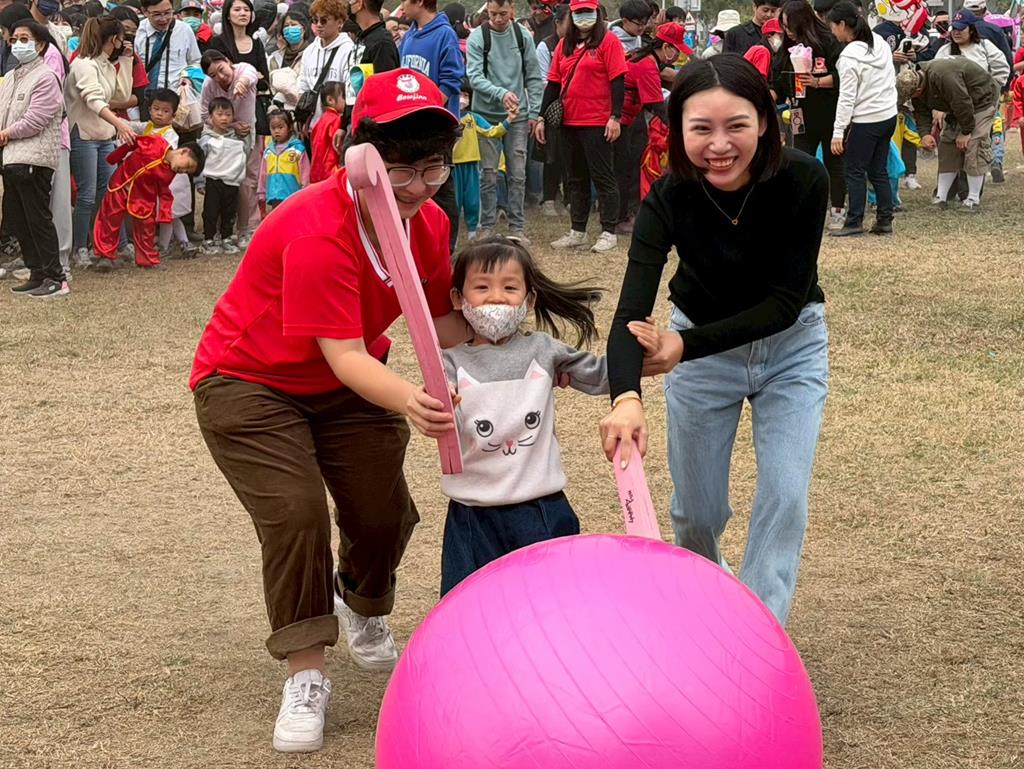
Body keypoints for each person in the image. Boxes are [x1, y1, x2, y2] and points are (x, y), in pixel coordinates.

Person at [191, 67, 466, 755]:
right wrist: (415, 398)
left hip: (347, 383)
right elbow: (344, 355)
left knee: (383, 510)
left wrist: (516, 335)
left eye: (433, 166)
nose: (420, 186)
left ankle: (361, 603)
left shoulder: (430, 222)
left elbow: (441, 322)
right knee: (297, 514)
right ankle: (306, 672)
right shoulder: (316, 226)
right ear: (361, 156)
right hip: (249, 381)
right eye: (402, 169)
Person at [602, 55, 830, 626]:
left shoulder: (804, 179)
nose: (720, 145)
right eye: (701, 128)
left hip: (791, 348)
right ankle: (707, 607)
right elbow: (631, 313)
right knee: (696, 514)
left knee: (785, 495)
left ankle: (758, 631)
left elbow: (783, 303)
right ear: (678, 128)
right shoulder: (668, 197)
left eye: (737, 126)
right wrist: (625, 396)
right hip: (703, 359)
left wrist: (681, 347)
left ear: (765, 122)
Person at [440, 238, 618, 594]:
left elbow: (602, 376)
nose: (496, 298)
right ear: (458, 298)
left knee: (552, 601)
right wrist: (434, 404)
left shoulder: (543, 349)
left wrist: (642, 357)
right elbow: (433, 408)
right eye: (482, 287)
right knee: (470, 603)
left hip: (540, 508)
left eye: (510, 288)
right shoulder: (449, 361)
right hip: (472, 513)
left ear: (529, 299)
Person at [536, 0, 627, 254]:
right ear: (571, 15)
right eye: (578, 12)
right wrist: (542, 117)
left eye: (588, 11)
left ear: (596, 13)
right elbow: (553, 84)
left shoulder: (609, 42)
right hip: (568, 121)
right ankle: (578, 230)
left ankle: (608, 231)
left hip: (597, 121)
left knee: (603, 176)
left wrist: (615, 117)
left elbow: (618, 80)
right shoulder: (564, 45)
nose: (583, 17)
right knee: (575, 179)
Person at [0, 18, 67, 297]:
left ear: (40, 45)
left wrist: (5, 133)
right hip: (11, 157)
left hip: (35, 158)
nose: (18, 44)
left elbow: (36, 120)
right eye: (14, 39)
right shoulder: (11, 77)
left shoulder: (46, 76)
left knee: (38, 218)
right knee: (20, 219)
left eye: (25, 39)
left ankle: (56, 277)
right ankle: (37, 272)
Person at [466, 0, 543, 242]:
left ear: (512, 9)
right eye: (492, 14)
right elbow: (474, 76)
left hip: (518, 115)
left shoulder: (523, 36)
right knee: (488, 173)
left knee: (517, 173)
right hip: (485, 115)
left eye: (502, 13)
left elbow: (534, 76)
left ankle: (516, 227)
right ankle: (487, 226)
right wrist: (500, 93)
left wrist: (534, 113)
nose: (498, 19)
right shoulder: (478, 36)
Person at [63, 16, 135, 266]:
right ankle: (80, 247)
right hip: (83, 134)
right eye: (122, 38)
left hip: (103, 134)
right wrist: (119, 123)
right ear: (114, 39)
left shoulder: (105, 64)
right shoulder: (84, 64)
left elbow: (122, 95)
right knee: (87, 195)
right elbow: (93, 100)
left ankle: (118, 243)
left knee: (110, 192)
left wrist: (126, 60)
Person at [827, 1, 897, 237]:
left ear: (842, 24)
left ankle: (854, 221)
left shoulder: (849, 57)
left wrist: (838, 132)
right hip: (887, 115)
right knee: (878, 170)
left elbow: (846, 97)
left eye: (833, 26)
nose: (832, 32)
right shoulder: (880, 43)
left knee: (855, 171)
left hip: (866, 119)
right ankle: (885, 219)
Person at [399, 0, 463, 252]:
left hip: (437, 126)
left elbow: (451, 80)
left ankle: (447, 247)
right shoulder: (409, 36)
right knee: (416, 185)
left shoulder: (444, 34)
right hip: (411, 126)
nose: (401, 6)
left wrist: (430, 110)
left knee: (440, 185)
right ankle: (421, 243)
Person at [896, 58, 999, 212]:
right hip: (957, 106)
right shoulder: (918, 84)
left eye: (910, 96)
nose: (910, 99)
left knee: (974, 145)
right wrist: (925, 134)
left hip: (981, 102)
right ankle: (941, 197)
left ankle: (973, 199)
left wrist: (966, 131)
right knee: (946, 144)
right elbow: (921, 111)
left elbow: (962, 102)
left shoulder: (944, 76)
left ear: (917, 90)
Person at [776, 0, 846, 228]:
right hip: (800, 113)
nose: (787, 31)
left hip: (829, 113)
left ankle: (837, 209)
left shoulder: (829, 41)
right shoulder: (787, 47)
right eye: (784, 26)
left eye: (790, 25)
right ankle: (802, 210)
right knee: (800, 161)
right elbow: (777, 79)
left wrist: (817, 82)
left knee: (834, 162)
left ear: (803, 21)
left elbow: (843, 76)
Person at [91, 133, 204, 267]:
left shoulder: (169, 173)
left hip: (143, 197)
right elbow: (133, 142)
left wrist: (164, 213)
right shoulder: (156, 141)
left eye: (187, 172)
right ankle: (105, 256)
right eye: (188, 166)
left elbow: (164, 191)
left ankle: (146, 259)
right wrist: (115, 157)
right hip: (121, 183)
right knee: (110, 218)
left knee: (146, 227)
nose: (183, 170)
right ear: (184, 151)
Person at [614, 22, 684, 236]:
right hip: (620, 120)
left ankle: (624, 215)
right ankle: (619, 218)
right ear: (666, 47)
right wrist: (679, 129)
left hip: (627, 117)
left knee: (628, 167)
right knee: (625, 169)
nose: (678, 55)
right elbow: (657, 106)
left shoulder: (644, 58)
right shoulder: (647, 66)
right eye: (677, 50)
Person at [209, 0, 271, 243]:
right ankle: (220, 228)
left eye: (246, 9)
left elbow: (264, 79)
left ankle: (248, 226)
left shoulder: (257, 43)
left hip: (252, 115)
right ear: (227, 14)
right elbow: (214, 79)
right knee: (223, 174)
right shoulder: (218, 43)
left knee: (250, 175)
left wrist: (250, 78)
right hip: (223, 117)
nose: (242, 13)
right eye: (237, 9)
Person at [935, 9, 1010, 185]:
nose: (956, 32)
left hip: (981, 106)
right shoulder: (945, 50)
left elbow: (1001, 68)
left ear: (971, 29)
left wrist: (991, 91)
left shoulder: (984, 47)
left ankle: (972, 192)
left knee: (975, 147)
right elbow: (935, 77)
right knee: (950, 146)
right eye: (954, 28)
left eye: (961, 28)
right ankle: (946, 190)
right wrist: (938, 107)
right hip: (953, 107)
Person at [128, 87, 196, 255]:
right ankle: (184, 242)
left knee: (168, 213)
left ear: (173, 115)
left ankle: (164, 246)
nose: (159, 114)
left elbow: (162, 154)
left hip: (171, 182)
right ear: (149, 109)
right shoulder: (147, 127)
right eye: (156, 109)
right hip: (157, 181)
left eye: (165, 111)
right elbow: (131, 125)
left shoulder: (170, 134)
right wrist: (116, 121)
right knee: (171, 214)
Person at [452, 80, 515, 240]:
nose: (462, 99)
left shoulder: (473, 118)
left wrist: (508, 120)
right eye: (459, 95)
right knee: (454, 201)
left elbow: (492, 131)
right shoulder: (448, 117)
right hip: (453, 166)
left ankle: (473, 231)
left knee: (472, 199)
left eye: (466, 95)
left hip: (471, 164)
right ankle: (453, 234)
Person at [198, 96, 247, 251]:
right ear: (210, 117)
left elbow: (242, 154)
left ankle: (227, 237)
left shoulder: (236, 138)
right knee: (210, 212)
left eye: (228, 115)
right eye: (219, 114)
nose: (224, 118)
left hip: (232, 181)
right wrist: (199, 182)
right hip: (213, 180)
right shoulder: (206, 139)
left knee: (229, 211)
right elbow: (200, 160)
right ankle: (209, 239)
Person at [535, 1, 570, 218]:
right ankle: (548, 199)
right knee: (552, 155)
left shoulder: (578, 45)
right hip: (552, 107)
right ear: (558, 23)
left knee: (571, 156)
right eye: (569, 23)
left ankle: (569, 199)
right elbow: (543, 80)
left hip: (574, 107)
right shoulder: (545, 46)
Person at [297, 0, 353, 131]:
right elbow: (303, 87)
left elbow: (350, 93)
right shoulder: (309, 51)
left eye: (324, 20)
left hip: (336, 126)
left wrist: (343, 126)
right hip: (312, 127)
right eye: (315, 20)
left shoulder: (349, 51)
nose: (318, 25)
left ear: (340, 22)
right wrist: (303, 118)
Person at [137, 0, 201, 108]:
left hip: (175, 100)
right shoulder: (138, 31)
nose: (163, 19)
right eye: (157, 14)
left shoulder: (184, 30)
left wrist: (188, 77)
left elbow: (196, 61)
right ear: (145, 11)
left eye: (167, 12)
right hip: (142, 100)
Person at [258, 109, 309, 211]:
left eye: (280, 127)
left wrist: (306, 190)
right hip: (274, 195)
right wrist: (261, 192)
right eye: (273, 128)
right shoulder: (268, 151)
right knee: (277, 217)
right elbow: (263, 173)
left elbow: (305, 172)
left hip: (293, 194)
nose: (277, 131)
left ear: (289, 127)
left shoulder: (297, 149)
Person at [268, 9, 310, 111]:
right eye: (286, 26)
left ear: (303, 29)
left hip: (300, 108)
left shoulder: (311, 54)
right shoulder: (274, 58)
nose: (290, 28)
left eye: (294, 24)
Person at [309, 79, 342, 181]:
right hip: (331, 172)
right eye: (343, 97)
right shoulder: (335, 120)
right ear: (330, 100)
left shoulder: (320, 120)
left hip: (316, 172)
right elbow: (338, 146)